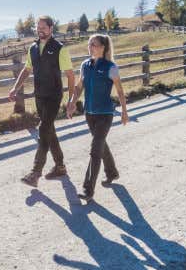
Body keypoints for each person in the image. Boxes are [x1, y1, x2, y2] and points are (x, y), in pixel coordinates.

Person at [8, 16, 75, 186]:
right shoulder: (33, 48)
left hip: (54, 96)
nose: (40, 30)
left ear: (51, 28)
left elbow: (70, 75)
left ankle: (36, 172)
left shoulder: (60, 49)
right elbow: (26, 69)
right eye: (38, 27)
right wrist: (15, 88)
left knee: (44, 129)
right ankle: (60, 166)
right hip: (39, 95)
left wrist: (71, 100)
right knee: (48, 129)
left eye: (43, 27)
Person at [71, 33, 129, 201]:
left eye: (94, 45)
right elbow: (79, 86)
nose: (91, 47)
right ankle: (112, 172)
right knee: (101, 144)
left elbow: (119, 91)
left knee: (95, 151)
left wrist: (124, 112)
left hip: (105, 114)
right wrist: (72, 102)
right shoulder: (85, 65)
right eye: (89, 44)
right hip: (89, 114)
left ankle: (88, 189)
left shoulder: (111, 67)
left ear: (103, 47)